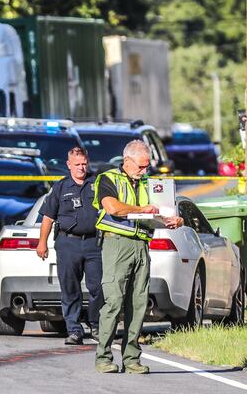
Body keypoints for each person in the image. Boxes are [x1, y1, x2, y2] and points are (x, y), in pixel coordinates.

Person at [93, 140, 183, 374]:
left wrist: (174, 219)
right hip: (116, 244)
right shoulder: (108, 179)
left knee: (139, 303)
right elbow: (111, 207)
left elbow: (165, 209)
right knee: (113, 301)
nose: (144, 171)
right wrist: (142, 210)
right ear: (127, 161)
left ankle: (132, 358)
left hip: (141, 244)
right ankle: (103, 357)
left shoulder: (149, 183)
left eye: (146, 167)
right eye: (141, 167)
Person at [36, 147, 103, 345]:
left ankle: (96, 325)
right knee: (70, 288)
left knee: (98, 287)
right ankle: (74, 330)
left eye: (84, 164)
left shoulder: (97, 183)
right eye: (77, 165)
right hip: (68, 243)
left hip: (94, 243)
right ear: (68, 165)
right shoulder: (60, 187)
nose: (81, 168)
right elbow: (48, 218)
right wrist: (42, 243)